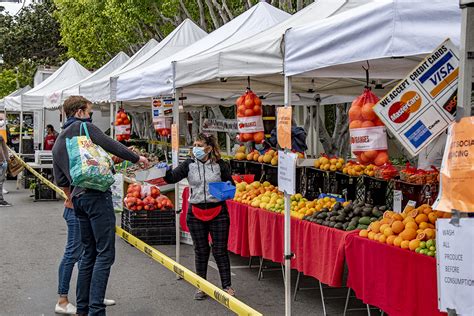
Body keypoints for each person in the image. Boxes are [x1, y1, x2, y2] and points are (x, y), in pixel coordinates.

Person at [53, 96, 148, 316]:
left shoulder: (59, 141)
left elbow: (61, 180)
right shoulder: (84, 127)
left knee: (89, 254)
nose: (90, 115)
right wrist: (137, 158)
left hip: (78, 200)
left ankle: (84, 309)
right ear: (78, 112)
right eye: (88, 111)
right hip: (97, 196)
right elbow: (112, 145)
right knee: (104, 254)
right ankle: (96, 310)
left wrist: (72, 196)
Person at [164, 133, 235, 300]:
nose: (195, 148)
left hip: (218, 211)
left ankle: (227, 286)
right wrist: (164, 170)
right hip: (195, 212)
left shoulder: (220, 165)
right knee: (201, 250)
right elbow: (171, 178)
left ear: (209, 148)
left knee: (220, 250)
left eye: (199, 145)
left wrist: (226, 188)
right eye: (194, 144)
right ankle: (201, 286)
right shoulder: (188, 164)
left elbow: (231, 184)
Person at [0, 135, 11, 206]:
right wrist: (5, 160)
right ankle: (0, 200)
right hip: (1, 162)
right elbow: (3, 149)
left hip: (2, 162)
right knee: (0, 182)